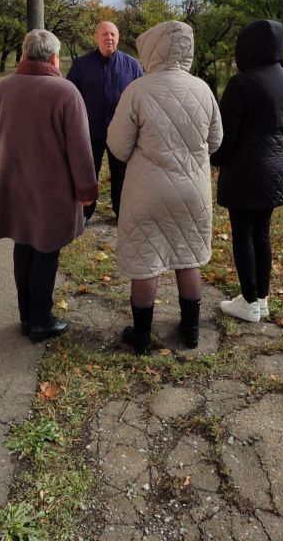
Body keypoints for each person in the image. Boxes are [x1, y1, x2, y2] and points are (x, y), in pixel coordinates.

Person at [107, 20, 223, 354]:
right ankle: (191, 331)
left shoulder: (138, 90)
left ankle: (141, 335)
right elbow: (215, 140)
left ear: (151, 49)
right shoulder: (202, 89)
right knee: (188, 257)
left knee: (146, 260)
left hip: (147, 191)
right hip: (192, 190)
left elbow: (118, 146)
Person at [0, 29, 98, 342]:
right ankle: (40, 321)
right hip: (51, 191)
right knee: (46, 251)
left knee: (23, 247)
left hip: (13, 185)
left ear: (23, 54)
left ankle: (26, 317)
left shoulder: (3, 88)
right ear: (54, 58)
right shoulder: (65, 92)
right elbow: (80, 147)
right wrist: (87, 190)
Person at [210, 19, 283, 322]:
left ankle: (249, 302)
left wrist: (216, 159)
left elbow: (225, 135)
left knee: (243, 235)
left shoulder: (241, 83)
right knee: (262, 234)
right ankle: (261, 298)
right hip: (277, 169)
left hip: (245, 171)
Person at [67, 21, 143, 222]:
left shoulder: (133, 65)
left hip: (122, 132)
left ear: (118, 38)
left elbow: (141, 98)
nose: (109, 38)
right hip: (90, 131)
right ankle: (85, 213)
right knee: (88, 173)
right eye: (104, 34)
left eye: (113, 34)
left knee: (122, 175)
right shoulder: (81, 65)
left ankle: (122, 213)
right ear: (96, 38)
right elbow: (69, 97)